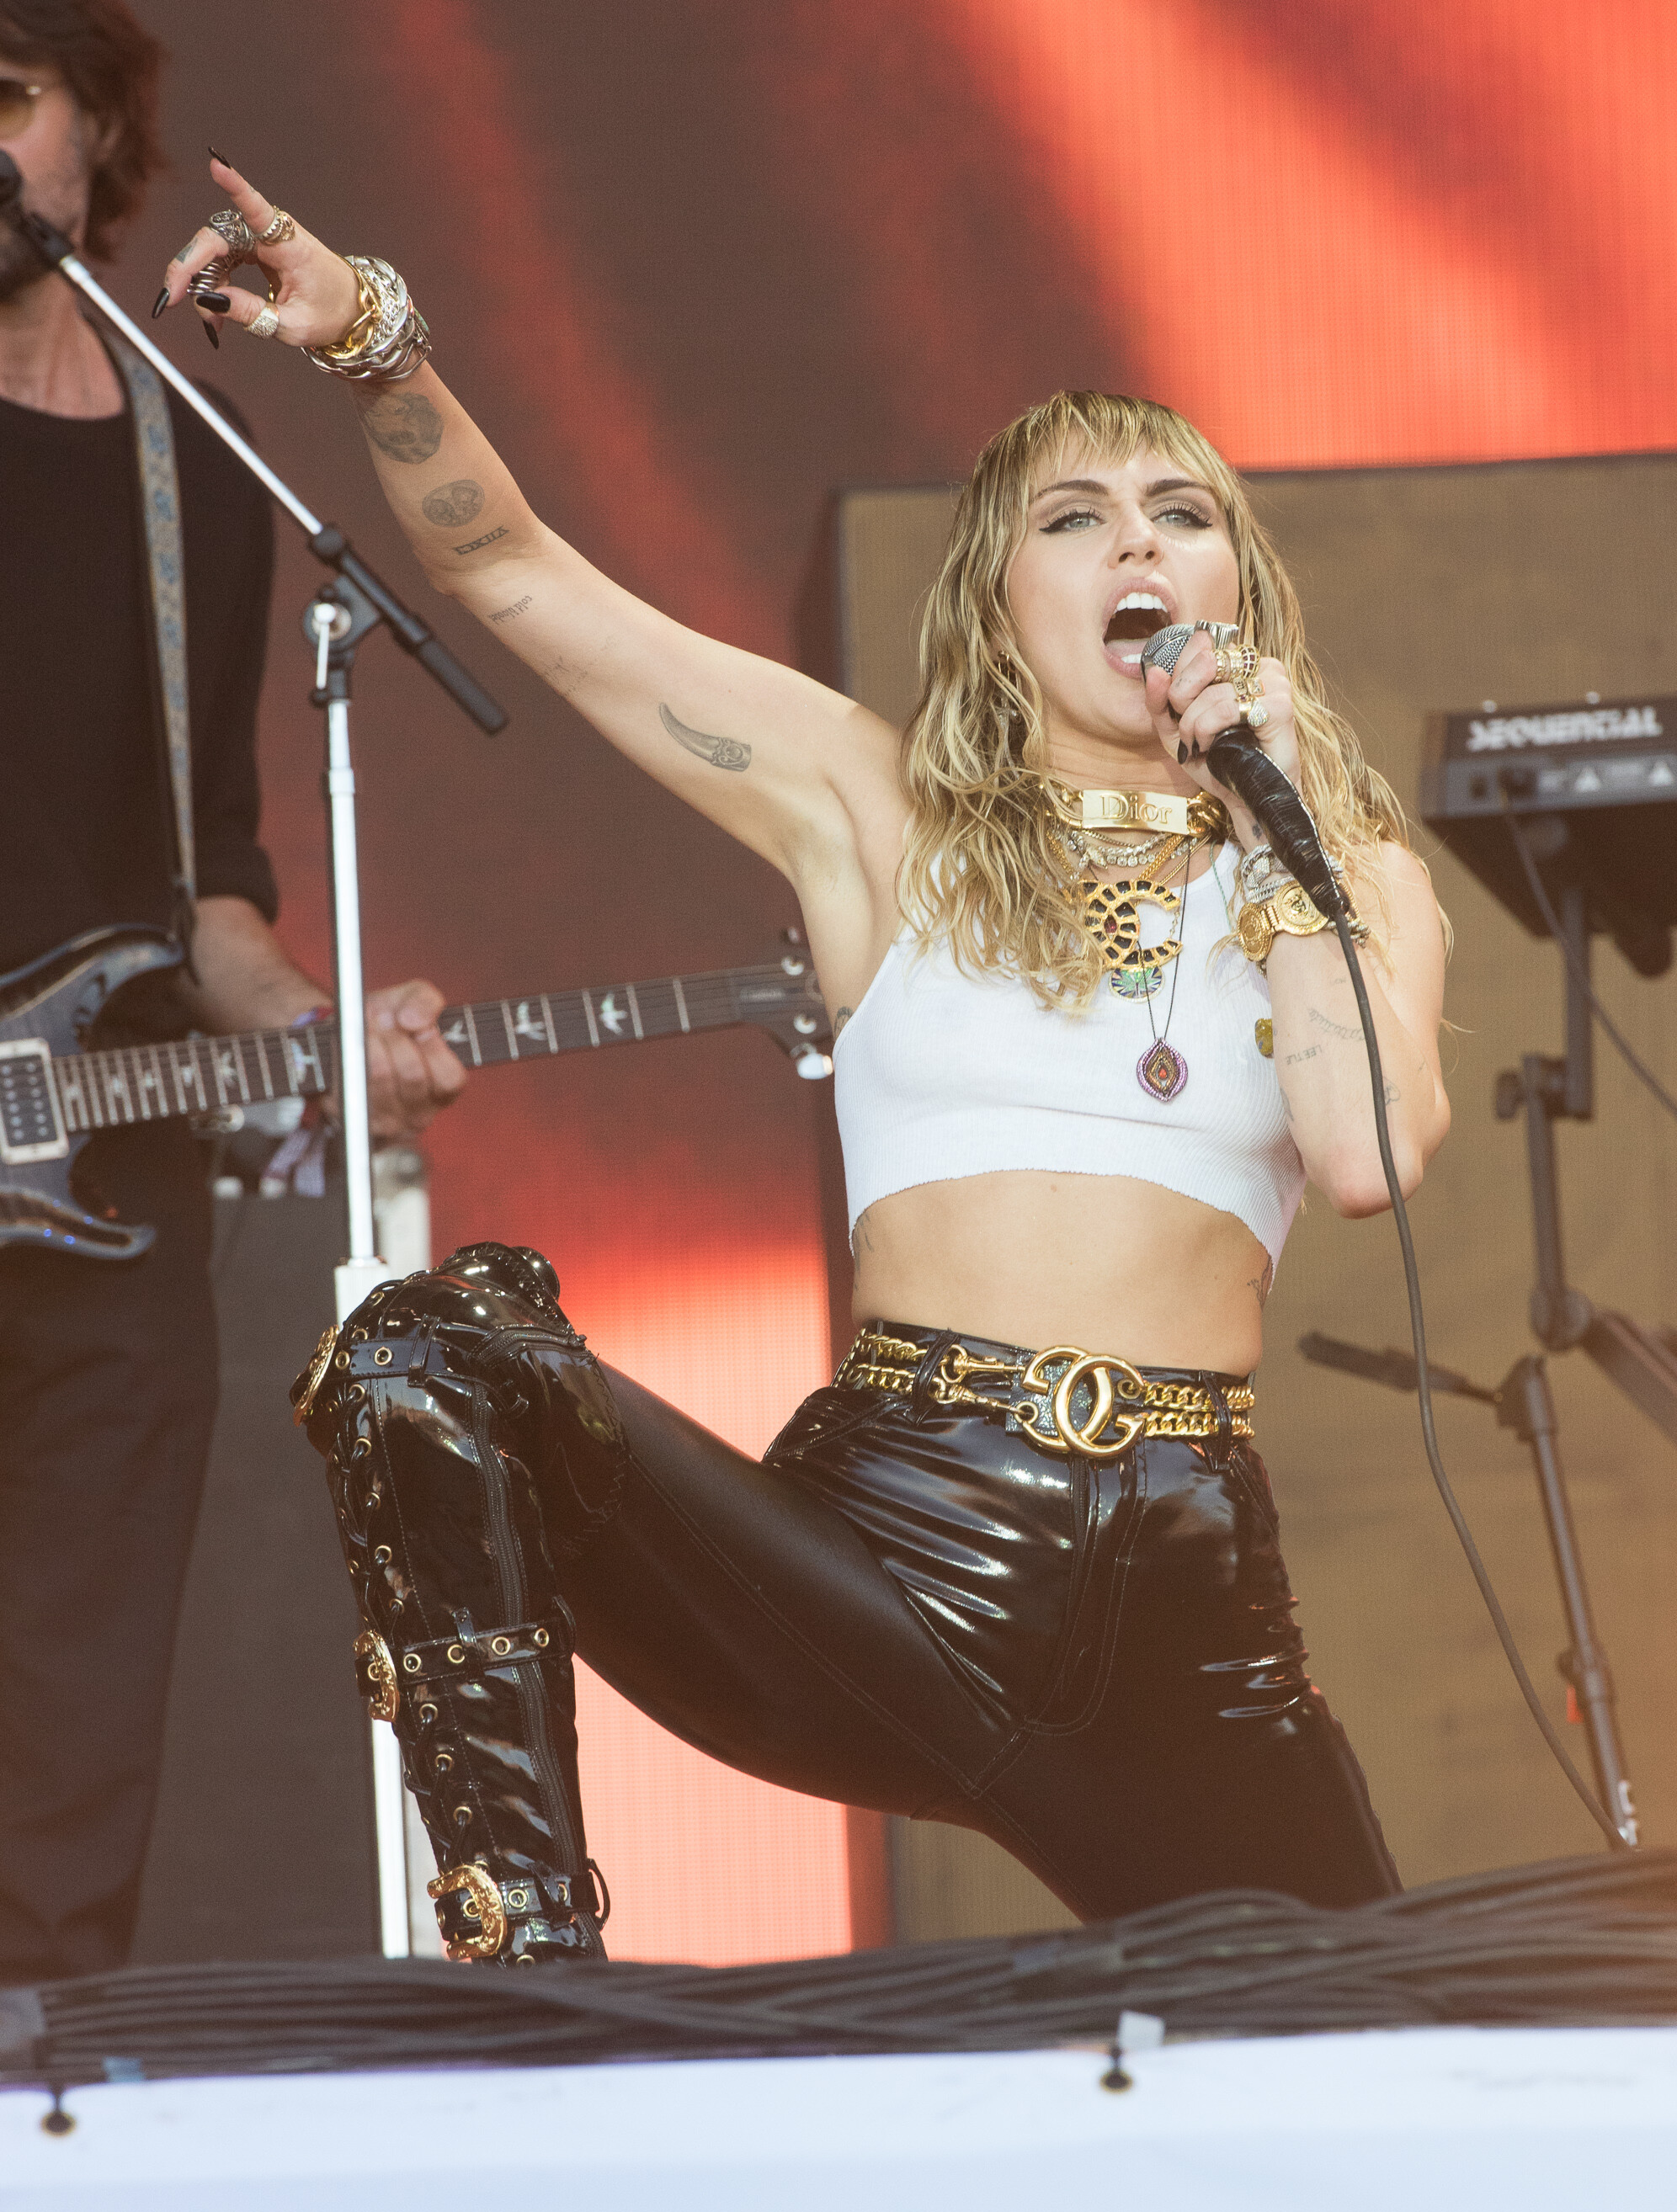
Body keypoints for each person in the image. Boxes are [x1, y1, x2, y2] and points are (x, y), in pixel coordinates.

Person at [159, 161, 1450, 1963]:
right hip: (892, 1547)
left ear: (1239, 583)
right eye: (1078, 519)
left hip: (1184, 1594)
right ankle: (540, 1984)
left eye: (1182, 514)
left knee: (1386, 2044)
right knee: (418, 1353)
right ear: (1000, 601)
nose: (1141, 549)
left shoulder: (1343, 873)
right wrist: (375, 343)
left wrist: (1278, 818)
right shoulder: (881, 812)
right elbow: (513, 571)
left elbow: (1368, 1156)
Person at [0, 3, 466, 1985]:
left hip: (109, 1203)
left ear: (96, 126)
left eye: (4, 97)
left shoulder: (190, 468)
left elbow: (204, 892)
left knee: (75, 1741)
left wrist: (322, 1036)